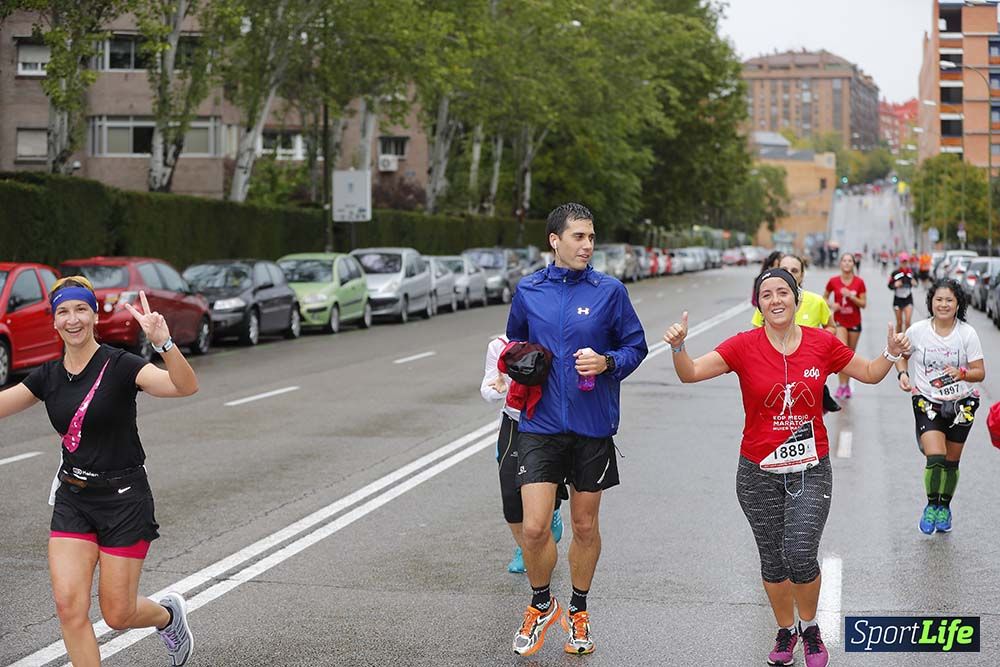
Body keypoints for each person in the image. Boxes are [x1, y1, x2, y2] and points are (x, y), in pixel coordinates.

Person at [664, 268, 909, 667]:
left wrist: (891, 353)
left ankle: (809, 628)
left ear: (797, 298)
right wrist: (679, 347)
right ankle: (785, 631)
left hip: (810, 467)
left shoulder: (821, 343)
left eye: (783, 292)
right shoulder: (743, 346)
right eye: (767, 295)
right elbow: (690, 373)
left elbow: (868, 373)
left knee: (799, 550)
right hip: (757, 470)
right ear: (758, 304)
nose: (775, 300)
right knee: (773, 558)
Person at [0, 277, 198, 667]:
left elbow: (183, 386)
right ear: (54, 320)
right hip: (74, 499)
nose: (72, 319)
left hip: (124, 500)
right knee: (69, 608)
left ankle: (167, 616)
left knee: (118, 615)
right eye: (63, 311)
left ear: (94, 315)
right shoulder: (48, 377)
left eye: (80, 309)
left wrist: (164, 344)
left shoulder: (121, 365)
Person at [506, 202, 647, 657]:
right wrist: (521, 362)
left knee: (585, 525)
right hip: (540, 423)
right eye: (579, 237)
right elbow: (514, 342)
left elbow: (636, 346)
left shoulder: (610, 291)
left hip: (591, 425)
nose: (588, 245)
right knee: (533, 528)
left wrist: (607, 362)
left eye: (591, 237)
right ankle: (541, 603)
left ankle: (579, 610)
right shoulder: (529, 290)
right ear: (555, 240)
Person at [895, 278, 985, 534]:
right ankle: (931, 505)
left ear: (958, 304)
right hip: (927, 400)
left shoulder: (967, 334)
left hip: (962, 405)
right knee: (935, 457)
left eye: (949, 300)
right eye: (939, 299)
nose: (943, 304)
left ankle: (944, 507)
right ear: (931, 302)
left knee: (951, 462)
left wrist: (962, 373)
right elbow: (901, 356)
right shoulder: (918, 330)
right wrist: (903, 374)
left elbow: (980, 372)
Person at [481, 336, 564, 574]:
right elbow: (487, 389)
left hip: (547, 422)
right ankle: (525, 547)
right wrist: (501, 390)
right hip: (514, 421)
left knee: (547, 485)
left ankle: (551, 515)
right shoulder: (499, 345)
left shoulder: (552, 337)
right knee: (511, 496)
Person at [751, 254, 840, 412]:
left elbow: (831, 327)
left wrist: (816, 343)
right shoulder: (769, 303)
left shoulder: (816, 301)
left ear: (802, 275)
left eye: (795, 270)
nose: (790, 274)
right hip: (775, 370)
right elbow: (756, 334)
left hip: (807, 371)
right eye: (784, 269)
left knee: (808, 414)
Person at [824, 253, 867, 399]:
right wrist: (832, 305)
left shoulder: (859, 282)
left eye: (850, 261)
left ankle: (847, 385)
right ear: (840, 264)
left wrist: (851, 296)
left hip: (854, 322)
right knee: (842, 352)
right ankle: (841, 385)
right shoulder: (833, 281)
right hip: (839, 322)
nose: (847, 263)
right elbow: (824, 297)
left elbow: (863, 304)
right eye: (844, 261)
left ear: (853, 264)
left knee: (849, 355)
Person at [888, 253, 915, 333]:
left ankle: (906, 338)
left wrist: (915, 283)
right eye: (903, 262)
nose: (904, 264)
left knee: (907, 322)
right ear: (900, 262)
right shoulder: (895, 273)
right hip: (898, 300)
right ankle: (898, 339)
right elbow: (890, 285)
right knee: (899, 322)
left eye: (906, 262)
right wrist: (895, 285)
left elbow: (916, 282)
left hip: (908, 299)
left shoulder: (911, 272)